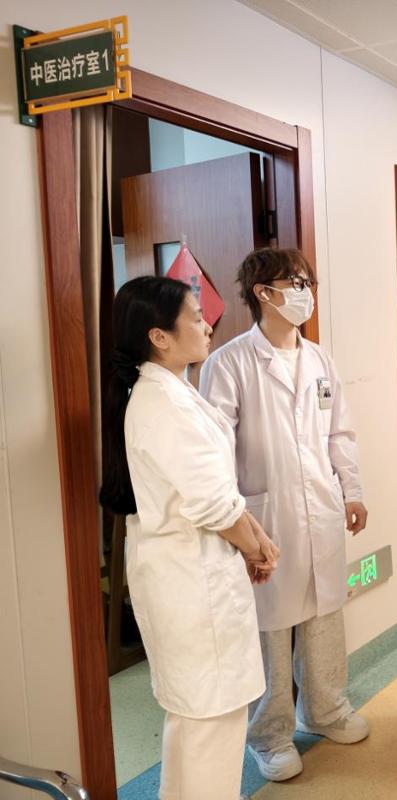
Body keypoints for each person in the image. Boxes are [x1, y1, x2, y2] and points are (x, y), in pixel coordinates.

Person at [99, 276, 279, 800]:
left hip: (187, 576)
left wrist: (255, 539)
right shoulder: (164, 404)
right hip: (193, 586)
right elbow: (213, 504)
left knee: (193, 722)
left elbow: (217, 491)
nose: (207, 326)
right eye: (196, 318)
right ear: (159, 337)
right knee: (212, 726)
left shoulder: (170, 393)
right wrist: (256, 548)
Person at [200, 248, 370, 782]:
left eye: (307, 282)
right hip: (264, 515)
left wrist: (352, 491)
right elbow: (214, 450)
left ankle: (325, 710)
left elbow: (339, 432)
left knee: (324, 615)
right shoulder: (229, 363)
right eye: (295, 283)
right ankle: (269, 737)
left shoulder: (319, 360)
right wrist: (235, 520)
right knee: (270, 630)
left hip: (321, 508)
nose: (305, 293)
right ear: (263, 293)